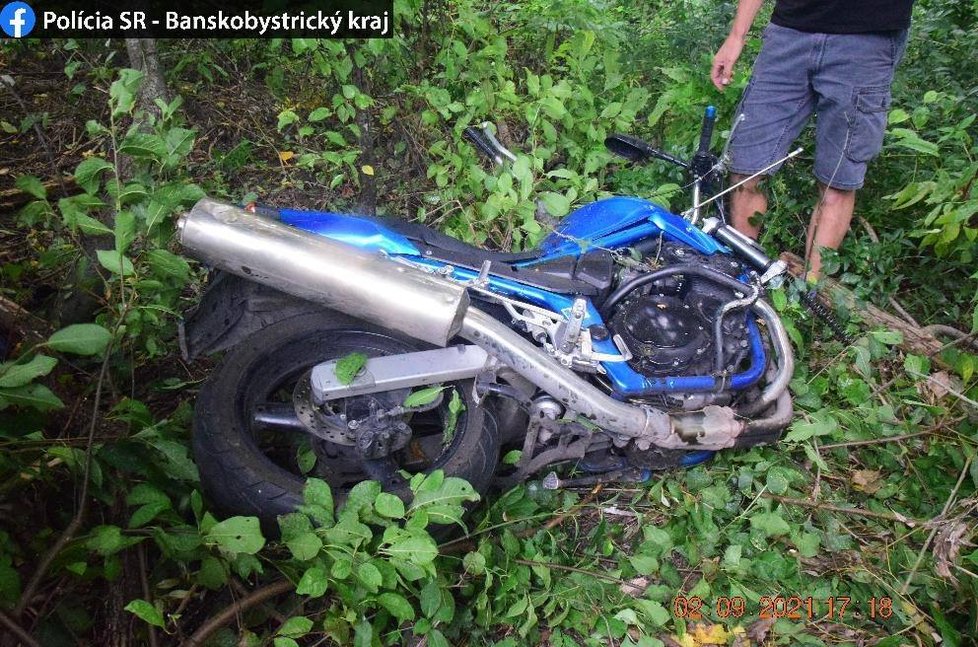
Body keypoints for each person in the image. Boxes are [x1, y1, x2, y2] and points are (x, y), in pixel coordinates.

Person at [711, 0, 912, 281]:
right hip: (789, 33)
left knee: (837, 184)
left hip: (867, 41)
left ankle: (808, 295)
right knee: (747, 169)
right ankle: (741, 279)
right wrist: (736, 36)